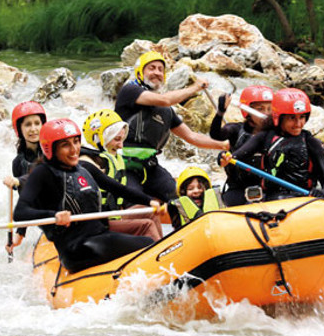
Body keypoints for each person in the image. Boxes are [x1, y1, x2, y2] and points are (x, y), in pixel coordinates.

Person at [13, 118, 157, 273]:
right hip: (77, 248)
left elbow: (118, 189)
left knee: (144, 241)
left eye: (76, 142)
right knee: (147, 243)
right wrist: (54, 215)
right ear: (50, 149)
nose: (74, 149)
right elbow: (20, 212)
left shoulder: (84, 167)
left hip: (100, 235)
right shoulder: (42, 174)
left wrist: (149, 201)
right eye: (65, 145)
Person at [114, 50, 229, 202]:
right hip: (124, 166)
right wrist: (195, 87)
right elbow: (164, 100)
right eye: (151, 68)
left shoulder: (166, 111)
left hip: (150, 167)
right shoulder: (129, 91)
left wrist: (224, 145)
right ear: (140, 73)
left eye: (160, 70)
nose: (157, 72)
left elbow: (192, 137)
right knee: (138, 205)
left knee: (182, 201)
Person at [219, 88, 324, 201]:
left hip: (303, 199)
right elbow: (235, 157)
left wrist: (322, 192)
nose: (298, 123)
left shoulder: (311, 142)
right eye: (292, 118)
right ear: (278, 118)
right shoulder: (265, 137)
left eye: (302, 117)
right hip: (272, 199)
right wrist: (225, 157)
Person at [81, 109, 163, 241]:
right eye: (117, 139)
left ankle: (165, 247)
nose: (121, 146)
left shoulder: (112, 158)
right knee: (146, 225)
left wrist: (150, 201)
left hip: (114, 217)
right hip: (98, 225)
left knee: (150, 211)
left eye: (122, 139)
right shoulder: (89, 162)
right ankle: (161, 256)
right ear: (99, 139)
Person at [209, 85, 274, 206]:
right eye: (260, 109)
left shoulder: (277, 133)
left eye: (269, 109)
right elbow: (216, 134)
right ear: (247, 111)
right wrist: (220, 112)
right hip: (238, 188)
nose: (266, 114)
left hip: (269, 188)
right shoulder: (236, 130)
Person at [2, 101, 46, 253]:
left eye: (37, 123)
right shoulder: (18, 163)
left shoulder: (54, 151)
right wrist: (19, 235)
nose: (33, 129)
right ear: (19, 129)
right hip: (46, 217)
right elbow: (25, 201)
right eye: (28, 125)